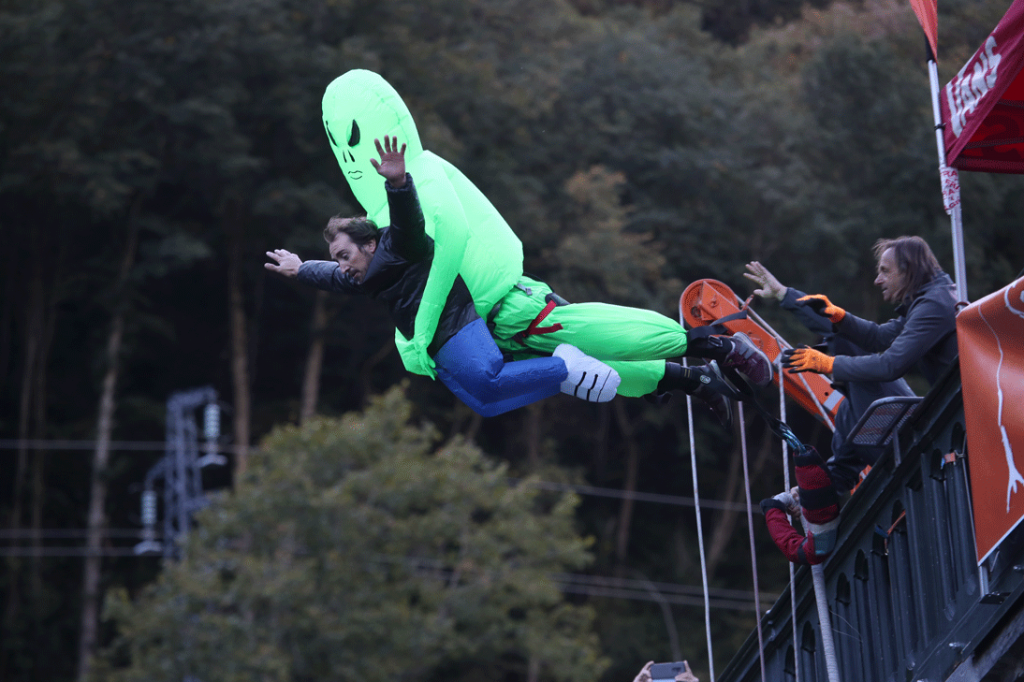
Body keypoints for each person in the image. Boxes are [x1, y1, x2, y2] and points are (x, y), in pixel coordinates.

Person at [266, 136, 772, 420]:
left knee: (592, 337)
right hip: (492, 332)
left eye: (344, 254)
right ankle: (691, 379)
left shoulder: (400, 245)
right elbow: (332, 275)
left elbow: (409, 220)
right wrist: (299, 268)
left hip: (510, 306)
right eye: (338, 258)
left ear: (369, 244)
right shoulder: (361, 276)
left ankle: (714, 346)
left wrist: (398, 181)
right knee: (609, 374)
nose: (342, 264)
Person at [743, 260, 916, 493]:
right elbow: (842, 472)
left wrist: (785, 295)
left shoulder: (873, 378)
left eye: (823, 355)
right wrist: (806, 492)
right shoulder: (847, 416)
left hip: (927, 457)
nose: (819, 361)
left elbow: (838, 330)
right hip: (911, 488)